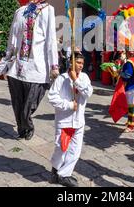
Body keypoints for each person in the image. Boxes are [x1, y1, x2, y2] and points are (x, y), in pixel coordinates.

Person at [4, 0, 59, 140]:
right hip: (17, 66)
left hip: (37, 66)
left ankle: (27, 124)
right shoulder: (19, 12)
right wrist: (7, 60)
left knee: (29, 104)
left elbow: (51, 39)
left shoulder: (48, 10)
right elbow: (12, 38)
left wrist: (54, 65)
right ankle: (23, 129)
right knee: (17, 102)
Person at [49, 52, 93, 187]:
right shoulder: (61, 79)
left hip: (79, 121)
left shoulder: (84, 77)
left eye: (82, 64)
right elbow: (52, 98)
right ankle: (56, 170)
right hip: (65, 121)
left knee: (75, 150)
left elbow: (88, 93)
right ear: (71, 63)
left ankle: (64, 175)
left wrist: (76, 80)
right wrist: (68, 105)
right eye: (78, 63)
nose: (80, 66)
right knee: (61, 147)